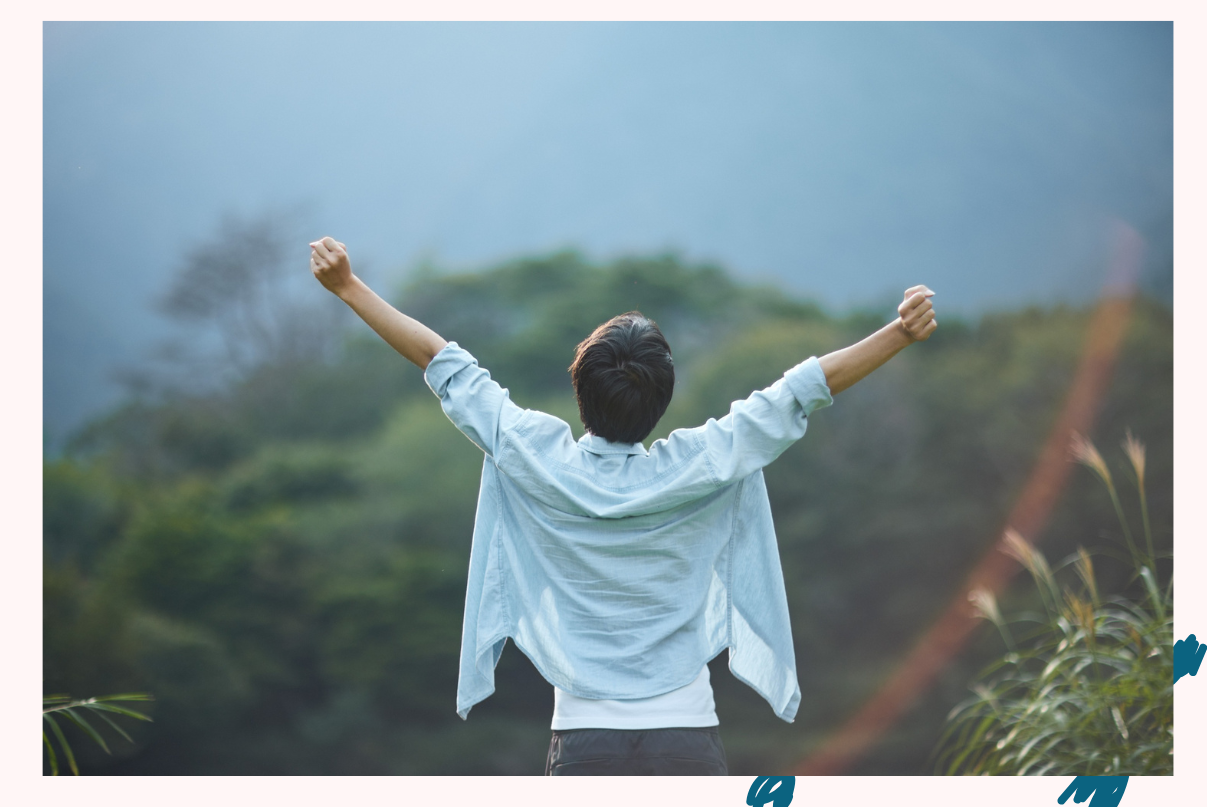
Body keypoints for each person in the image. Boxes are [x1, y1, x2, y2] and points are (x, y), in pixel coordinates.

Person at [309, 236, 936, 777]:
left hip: (583, 741)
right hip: (687, 739)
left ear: (581, 388)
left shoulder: (535, 455)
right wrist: (899, 333)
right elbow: (800, 393)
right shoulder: (703, 462)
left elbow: (442, 362)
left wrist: (348, 287)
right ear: (661, 399)